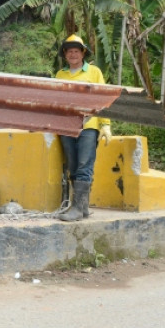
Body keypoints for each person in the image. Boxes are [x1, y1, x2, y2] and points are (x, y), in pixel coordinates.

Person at [54, 34, 111, 222]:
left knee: (84, 165)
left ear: (83, 53)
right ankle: (82, 207)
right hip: (66, 126)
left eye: (76, 51)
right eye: (69, 51)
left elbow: (103, 99)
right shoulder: (60, 75)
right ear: (65, 54)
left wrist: (105, 125)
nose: (73, 54)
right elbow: (55, 102)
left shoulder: (94, 72)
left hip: (89, 126)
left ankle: (77, 209)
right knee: (72, 165)